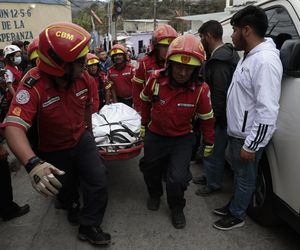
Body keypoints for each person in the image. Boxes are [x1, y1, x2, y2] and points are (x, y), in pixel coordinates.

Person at [2, 22, 111, 245]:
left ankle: (89, 225)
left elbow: (88, 105)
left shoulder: (83, 77)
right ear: (60, 65)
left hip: (81, 139)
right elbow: (13, 126)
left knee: (98, 179)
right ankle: (71, 205)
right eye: (79, 60)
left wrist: (89, 130)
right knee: (65, 189)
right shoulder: (33, 84)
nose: (86, 62)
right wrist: (32, 163)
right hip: (53, 149)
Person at [213, 6, 283, 231]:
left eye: (233, 30)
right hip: (238, 134)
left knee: (245, 178)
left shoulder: (265, 62)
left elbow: (267, 110)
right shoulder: (250, 57)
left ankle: (237, 214)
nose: (231, 35)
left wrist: (252, 145)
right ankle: (236, 204)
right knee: (239, 174)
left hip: (247, 137)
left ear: (246, 30)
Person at [139, 34, 215, 229]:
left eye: (188, 68)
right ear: (169, 64)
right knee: (150, 170)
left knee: (178, 179)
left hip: (182, 139)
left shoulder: (200, 90)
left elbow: (207, 119)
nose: (182, 72)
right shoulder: (155, 80)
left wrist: (209, 141)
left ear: (196, 69)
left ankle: (177, 208)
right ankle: (155, 194)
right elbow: (145, 102)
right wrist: (142, 123)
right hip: (155, 135)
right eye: (178, 66)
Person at [194, 20, 240, 196]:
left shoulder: (220, 60)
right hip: (220, 114)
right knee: (211, 149)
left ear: (208, 36)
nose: (201, 42)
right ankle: (209, 176)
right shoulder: (224, 55)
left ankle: (213, 184)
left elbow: (219, 92)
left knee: (213, 150)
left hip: (218, 116)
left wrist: (214, 117)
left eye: (201, 38)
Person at [132, 24, 177, 113]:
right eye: (164, 46)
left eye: (170, 46)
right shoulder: (144, 63)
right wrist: (139, 110)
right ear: (156, 47)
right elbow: (136, 88)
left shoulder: (177, 63)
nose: (168, 50)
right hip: (149, 109)